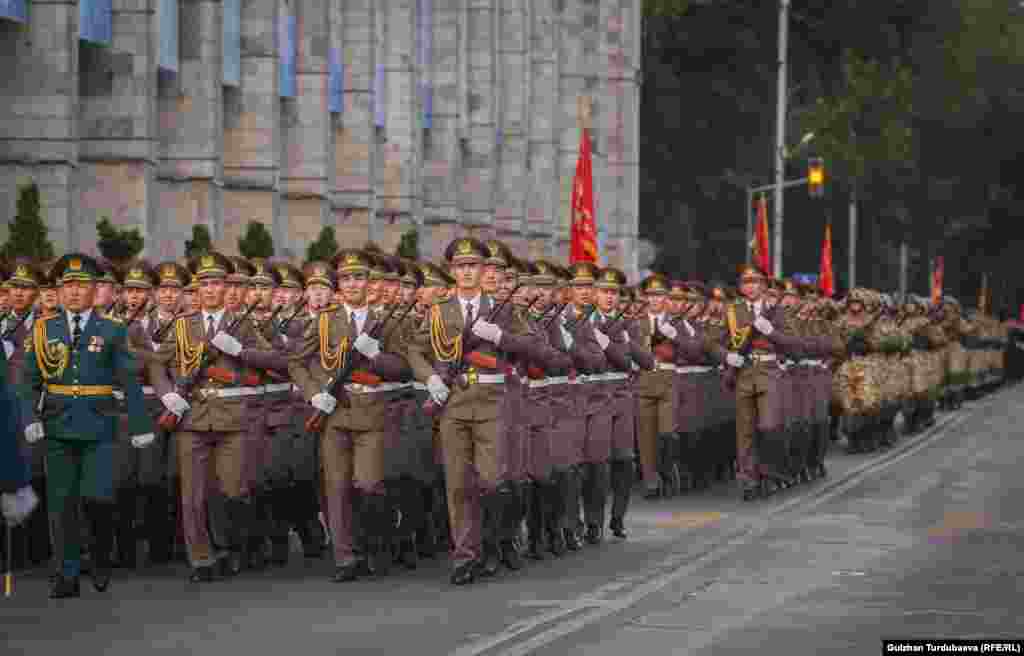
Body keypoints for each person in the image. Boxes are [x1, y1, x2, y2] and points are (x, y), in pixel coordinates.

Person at [20, 253, 155, 598]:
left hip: (100, 426)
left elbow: (128, 379)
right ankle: (66, 573)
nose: (74, 291)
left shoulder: (112, 328)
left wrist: (140, 424)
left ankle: (100, 554)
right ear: (59, 290)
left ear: (95, 289)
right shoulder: (43, 328)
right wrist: (30, 418)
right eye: (68, 285)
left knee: (98, 497)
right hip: (57, 427)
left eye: (81, 285)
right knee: (61, 503)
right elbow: (28, 381)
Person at [147, 252, 282, 583]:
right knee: (193, 495)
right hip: (191, 418)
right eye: (204, 284)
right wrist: (167, 394)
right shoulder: (183, 325)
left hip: (232, 420)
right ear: (198, 288)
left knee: (233, 490)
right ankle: (201, 559)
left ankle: (229, 546)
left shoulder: (243, 323)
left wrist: (239, 350)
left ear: (226, 287)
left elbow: (276, 361)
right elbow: (156, 364)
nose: (210, 289)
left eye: (216, 283)